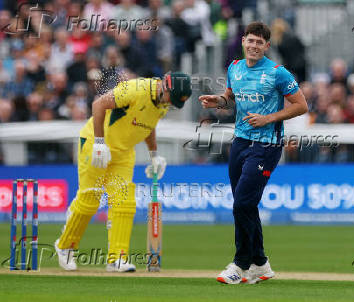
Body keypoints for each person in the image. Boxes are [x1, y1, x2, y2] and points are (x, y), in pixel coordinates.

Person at [199, 22, 308, 284]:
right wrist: (220, 101)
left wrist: (269, 118)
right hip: (240, 142)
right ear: (244, 42)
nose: (254, 46)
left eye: (260, 42)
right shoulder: (234, 68)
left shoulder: (277, 72)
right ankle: (261, 263)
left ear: (267, 46)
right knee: (245, 204)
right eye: (251, 41)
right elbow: (230, 96)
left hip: (267, 145)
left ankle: (240, 265)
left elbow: (301, 105)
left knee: (243, 204)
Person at [55, 72, 192, 272]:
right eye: (172, 98)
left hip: (124, 152)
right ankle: (65, 247)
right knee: (89, 200)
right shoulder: (135, 89)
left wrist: (154, 154)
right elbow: (98, 104)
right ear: (166, 86)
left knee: (124, 202)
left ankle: (117, 258)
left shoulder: (163, 103)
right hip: (95, 143)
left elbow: (149, 125)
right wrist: (100, 144)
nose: (170, 104)